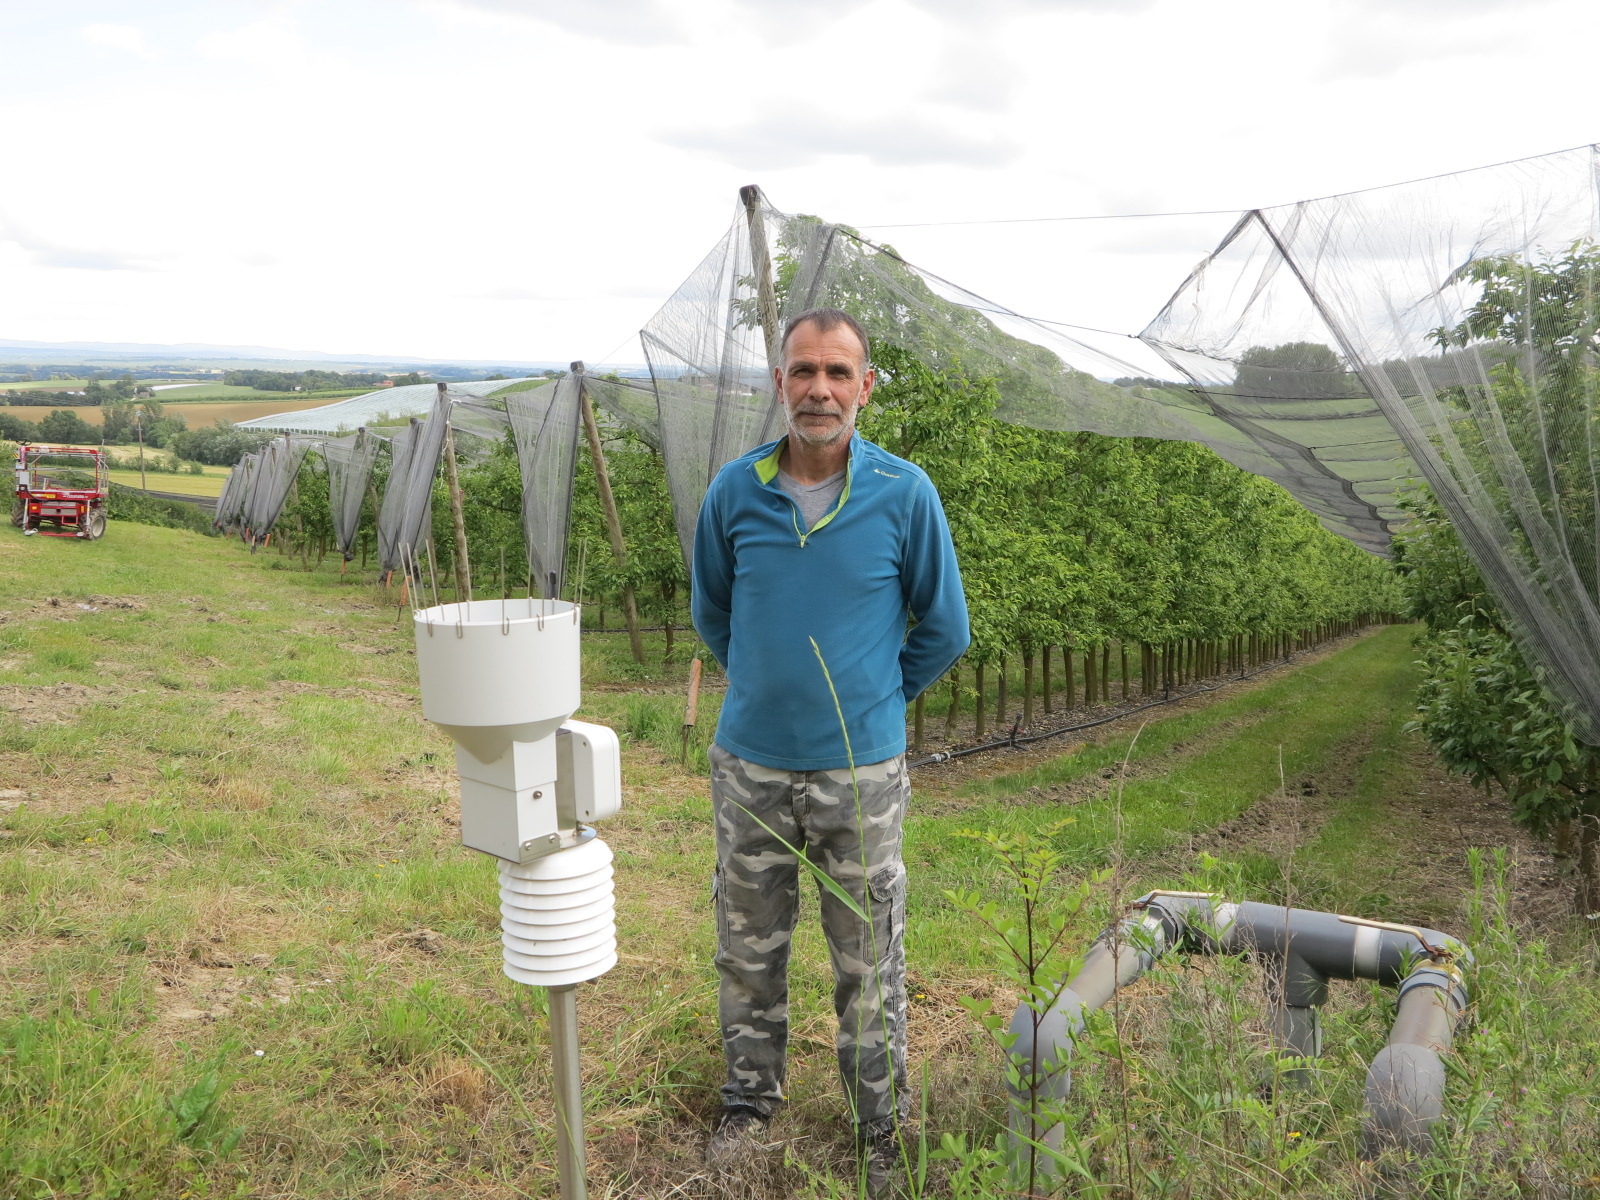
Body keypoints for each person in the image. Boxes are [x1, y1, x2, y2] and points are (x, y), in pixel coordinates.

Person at [690, 307, 970, 1192]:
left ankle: (879, 1126)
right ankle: (747, 1103)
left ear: (865, 388)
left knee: (869, 956)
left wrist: (873, 700)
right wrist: (768, 689)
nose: (820, 390)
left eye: (838, 374)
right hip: (750, 768)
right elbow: (713, 611)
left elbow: (945, 628)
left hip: (863, 775)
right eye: (803, 371)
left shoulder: (903, 493)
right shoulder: (735, 492)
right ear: (779, 383)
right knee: (748, 946)